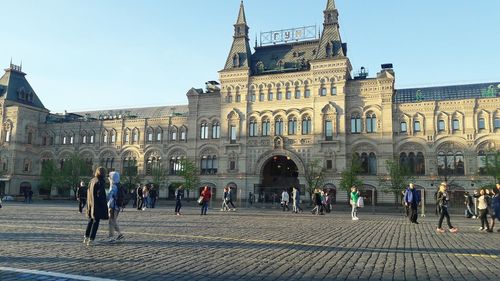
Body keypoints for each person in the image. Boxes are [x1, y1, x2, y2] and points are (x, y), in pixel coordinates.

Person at [83, 167, 109, 246]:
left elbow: (88, 192)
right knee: (96, 222)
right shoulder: (100, 181)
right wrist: (104, 204)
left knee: (90, 220)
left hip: (91, 204)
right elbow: (100, 195)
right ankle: (91, 239)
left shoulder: (92, 180)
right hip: (97, 205)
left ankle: (86, 237)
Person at [107, 171, 124, 242]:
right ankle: (120, 234)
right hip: (117, 206)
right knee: (113, 220)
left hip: (113, 206)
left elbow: (109, 196)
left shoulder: (113, 186)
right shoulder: (119, 185)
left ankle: (111, 237)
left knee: (111, 221)